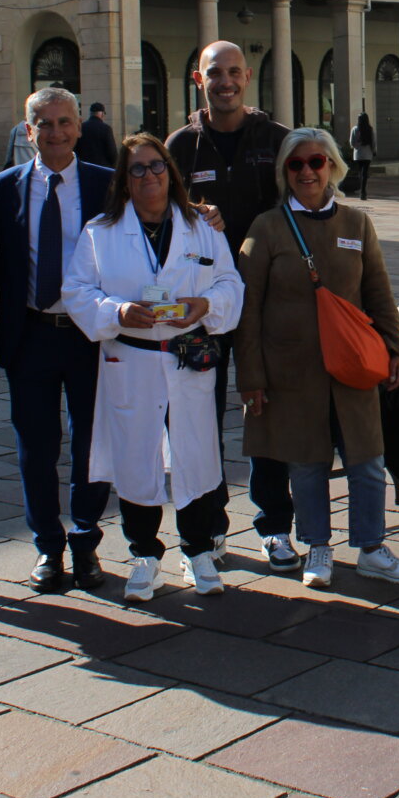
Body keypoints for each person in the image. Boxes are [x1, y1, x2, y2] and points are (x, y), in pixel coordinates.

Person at [236, 128, 399, 589]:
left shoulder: (357, 224)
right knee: (306, 463)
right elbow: (248, 309)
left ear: (333, 166)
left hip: (353, 366)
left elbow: (378, 291)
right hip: (293, 373)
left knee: (367, 461)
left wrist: (395, 348)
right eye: (295, 165)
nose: (306, 172)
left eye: (315, 162)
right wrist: (251, 378)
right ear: (284, 172)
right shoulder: (267, 227)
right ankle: (318, 544)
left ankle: (373, 547)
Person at [64, 134, 243, 599]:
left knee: (197, 455)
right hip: (132, 360)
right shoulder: (100, 232)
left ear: (171, 171)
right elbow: (78, 291)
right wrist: (117, 312)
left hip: (187, 360)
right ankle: (144, 554)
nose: (149, 176)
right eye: (137, 168)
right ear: (124, 179)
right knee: (135, 458)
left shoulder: (201, 225)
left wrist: (205, 304)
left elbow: (231, 283)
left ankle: (199, 550)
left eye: (157, 165)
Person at [166, 41, 299, 573]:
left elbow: (302, 206)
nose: (225, 82)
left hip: (265, 302)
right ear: (200, 81)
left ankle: (272, 526)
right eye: (213, 74)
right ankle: (211, 527)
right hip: (205, 306)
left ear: (247, 77)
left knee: (265, 411)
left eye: (233, 72)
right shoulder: (181, 146)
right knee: (198, 416)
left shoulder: (276, 140)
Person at [0, 88, 117, 593]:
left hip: (89, 337)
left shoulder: (106, 185)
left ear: (80, 128)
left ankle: (85, 544)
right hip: (32, 335)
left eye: (65, 122)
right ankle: (47, 546)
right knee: (35, 449)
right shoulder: (2, 188)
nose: (56, 132)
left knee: (92, 445)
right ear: (28, 131)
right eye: (45, 123)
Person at [78, 102, 120, 167]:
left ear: (90, 113)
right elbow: (112, 152)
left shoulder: (82, 127)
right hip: (102, 168)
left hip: (85, 168)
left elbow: (76, 149)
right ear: (102, 114)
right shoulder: (106, 129)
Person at [347, 112, 376, 201]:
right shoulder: (370, 129)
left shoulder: (355, 129)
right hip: (367, 154)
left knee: (360, 173)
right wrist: (374, 151)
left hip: (358, 154)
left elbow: (351, 142)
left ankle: (362, 191)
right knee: (365, 173)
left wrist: (357, 146)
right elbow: (373, 142)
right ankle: (363, 192)